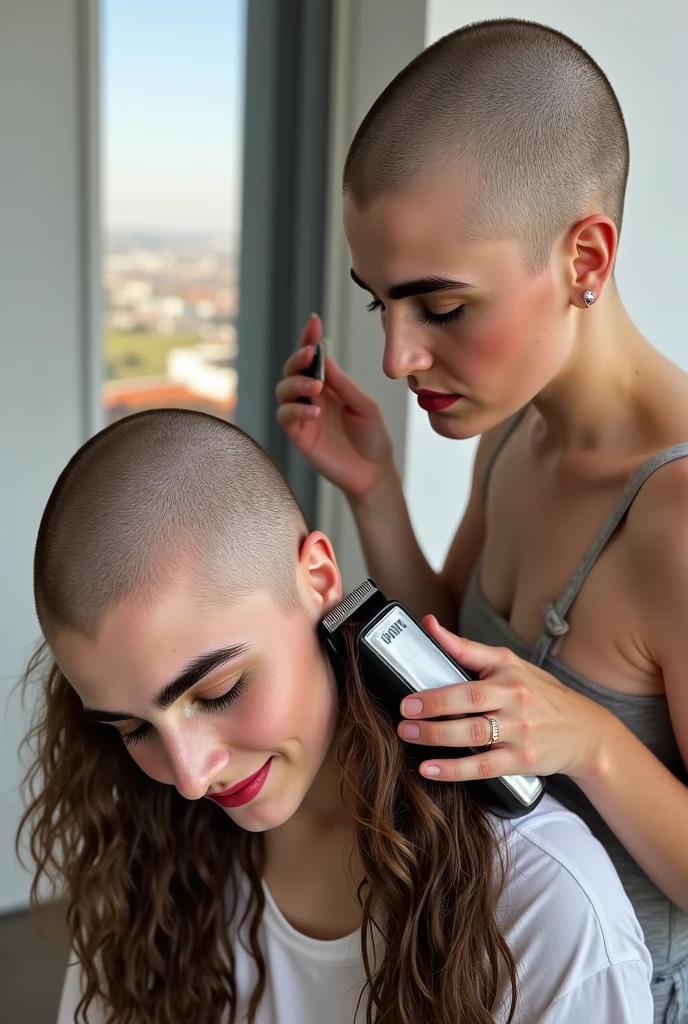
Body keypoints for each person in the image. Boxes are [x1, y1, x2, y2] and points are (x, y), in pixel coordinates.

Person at [275, 18, 688, 1023]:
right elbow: (457, 662)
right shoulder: (516, 435)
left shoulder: (676, 521)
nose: (397, 356)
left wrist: (589, 737)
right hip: (481, 964)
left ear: (585, 255)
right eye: (379, 305)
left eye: (441, 308)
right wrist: (372, 490)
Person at [19, 409, 652, 1024]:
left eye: (219, 691)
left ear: (319, 579)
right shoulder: (142, 859)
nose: (189, 777)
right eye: (133, 729)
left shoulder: (544, 907)